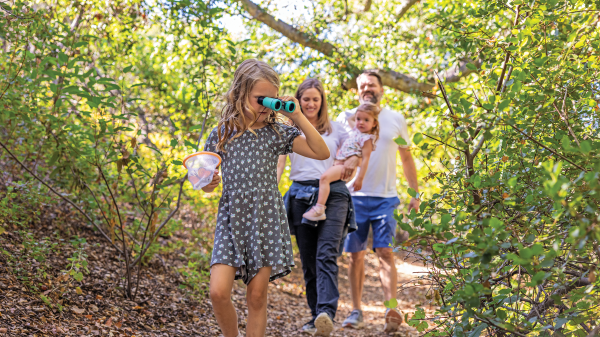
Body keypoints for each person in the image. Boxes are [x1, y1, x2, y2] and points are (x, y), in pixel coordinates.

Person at [202, 59, 330, 337]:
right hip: (231, 220)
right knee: (218, 292)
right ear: (239, 93)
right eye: (260, 99)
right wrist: (209, 182)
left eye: (272, 100)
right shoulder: (221, 134)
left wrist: (297, 116)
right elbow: (207, 184)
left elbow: (321, 152)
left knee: (257, 296)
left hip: (265, 220)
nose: (266, 106)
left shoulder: (276, 132)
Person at [337, 71, 420, 332]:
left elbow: (406, 158)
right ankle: (356, 310)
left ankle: (390, 309)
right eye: (362, 85)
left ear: (381, 89)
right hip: (353, 197)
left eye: (371, 84)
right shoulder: (347, 119)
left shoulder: (394, 120)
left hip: (386, 198)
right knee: (355, 256)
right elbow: (333, 153)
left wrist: (415, 193)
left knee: (385, 252)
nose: (367, 88)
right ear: (357, 91)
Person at [277, 78, 356, 337]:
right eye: (306, 99)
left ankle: (326, 313)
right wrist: (272, 192)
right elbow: (279, 166)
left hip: (333, 195)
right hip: (299, 193)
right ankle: (315, 317)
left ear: (322, 102)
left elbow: (358, 150)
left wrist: (351, 165)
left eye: (315, 99)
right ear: (298, 101)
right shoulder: (288, 130)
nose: (310, 103)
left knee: (326, 254)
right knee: (309, 260)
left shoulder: (338, 129)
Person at [302, 102, 380, 221]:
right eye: (359, 119)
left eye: (366, 120)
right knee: (326, 180)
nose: (361, 122)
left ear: (374, 123)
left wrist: (360, 178)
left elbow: (365, 160)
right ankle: (322, 205)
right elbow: (350, 118)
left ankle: (319, 209)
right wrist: (362, 109)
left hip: (345, 165)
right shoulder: (357, 130)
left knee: (324, 178)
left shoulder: (367, 139)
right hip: (340, 162)